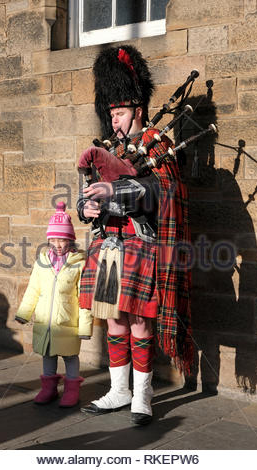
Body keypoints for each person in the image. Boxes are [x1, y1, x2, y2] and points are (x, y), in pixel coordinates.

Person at [77, 46, 193, 425]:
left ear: (139, 110)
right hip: (107, 246)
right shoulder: (105, 148)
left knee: (141, 320)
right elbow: (86, 194)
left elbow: (164, 191)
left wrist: (119, 191)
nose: (115, 122)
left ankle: (143, 394)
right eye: (111, 114)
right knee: (113, 320)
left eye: (121, 113)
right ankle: (119, 390)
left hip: (141, 245)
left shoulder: (158, 144)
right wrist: (87, 207)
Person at [15, 201, 93, 407]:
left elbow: (84, 297)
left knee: (70, 357)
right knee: (48, 355)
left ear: (71, 240)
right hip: (45, 322)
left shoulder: (79, 263)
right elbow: (33, 289)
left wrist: (85, 327)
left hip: (68, 321)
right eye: (54, 239)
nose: (58, 244)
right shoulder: (42, 261)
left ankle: (71, 391)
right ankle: (48, 388)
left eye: (62, 239)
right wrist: (24, 313)